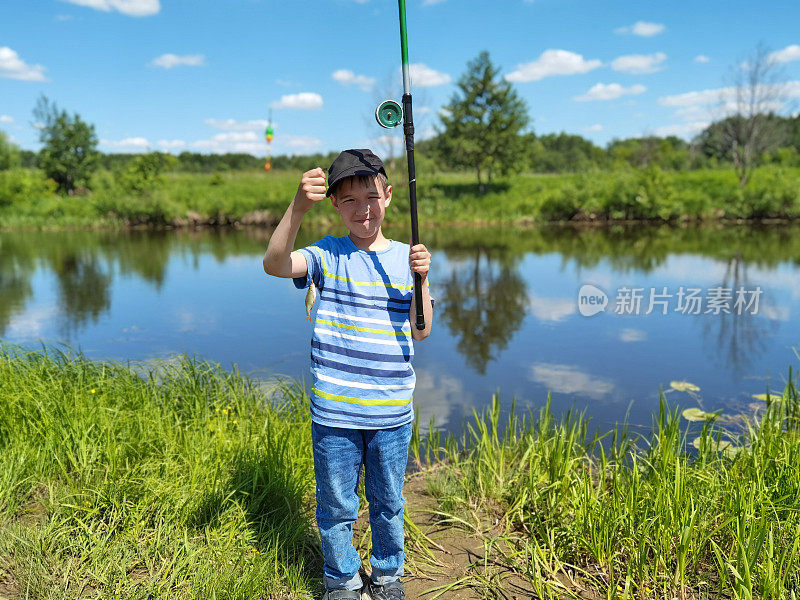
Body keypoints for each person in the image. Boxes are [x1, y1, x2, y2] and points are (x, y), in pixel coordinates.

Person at [262, 149, 434, 600]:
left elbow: (421, 331)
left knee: (389, 502)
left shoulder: (405, 258)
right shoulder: (325, 255)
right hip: (335, 411)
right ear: (335, 205)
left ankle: (387, 573)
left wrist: (423, 280)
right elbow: (275, 264)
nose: (363, 210)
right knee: (337, 505)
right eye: (350, 200)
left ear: (389, 196)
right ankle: (341, 578)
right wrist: (297, 207)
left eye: (371, 197)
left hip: (392, 413)